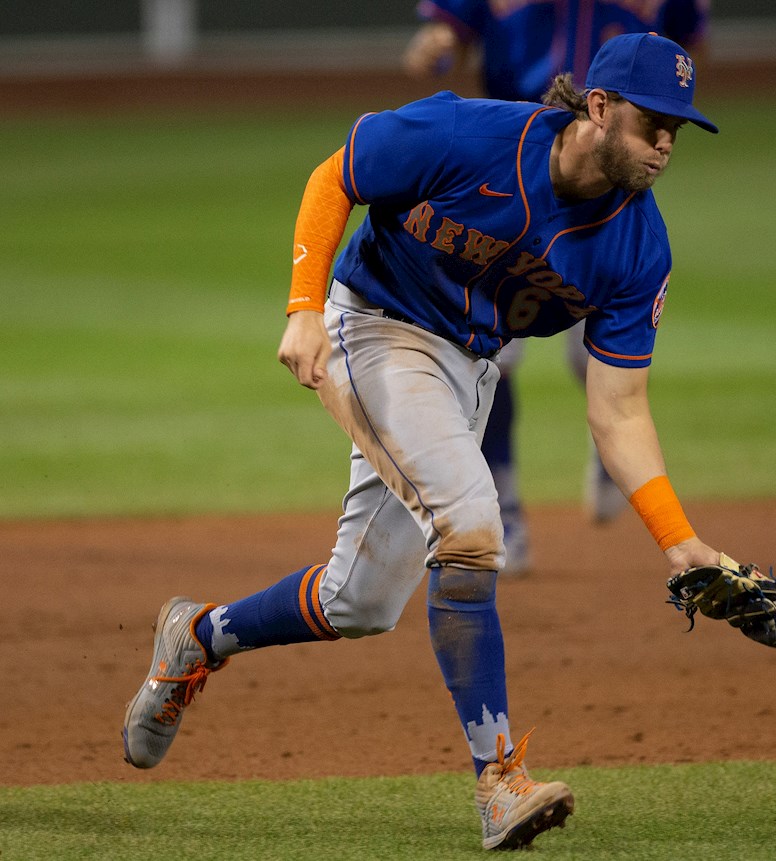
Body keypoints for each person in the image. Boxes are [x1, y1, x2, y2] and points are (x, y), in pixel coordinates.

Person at [122, 33, 722, 852]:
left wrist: (677, 538)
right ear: (599, 107)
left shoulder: (637, 247)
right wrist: (303, 306)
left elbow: (618, 410)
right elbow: (336, 176)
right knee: (474, 522)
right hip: (376, 331)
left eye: (677, 132)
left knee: (360, 602)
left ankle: (197, 636)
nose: (664, 144)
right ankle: (498, 779)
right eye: (654, 122)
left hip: (466, 370)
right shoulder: (468, 137)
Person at [404, 0, 711, 575]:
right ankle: (506, 507)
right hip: (510, 164)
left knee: (599, 371)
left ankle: (614, 458)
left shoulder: (641, 228)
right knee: (490, 359)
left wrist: (654, 120)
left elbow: (691, 40)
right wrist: (441, 38)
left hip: (607, 185)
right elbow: (457, 20)